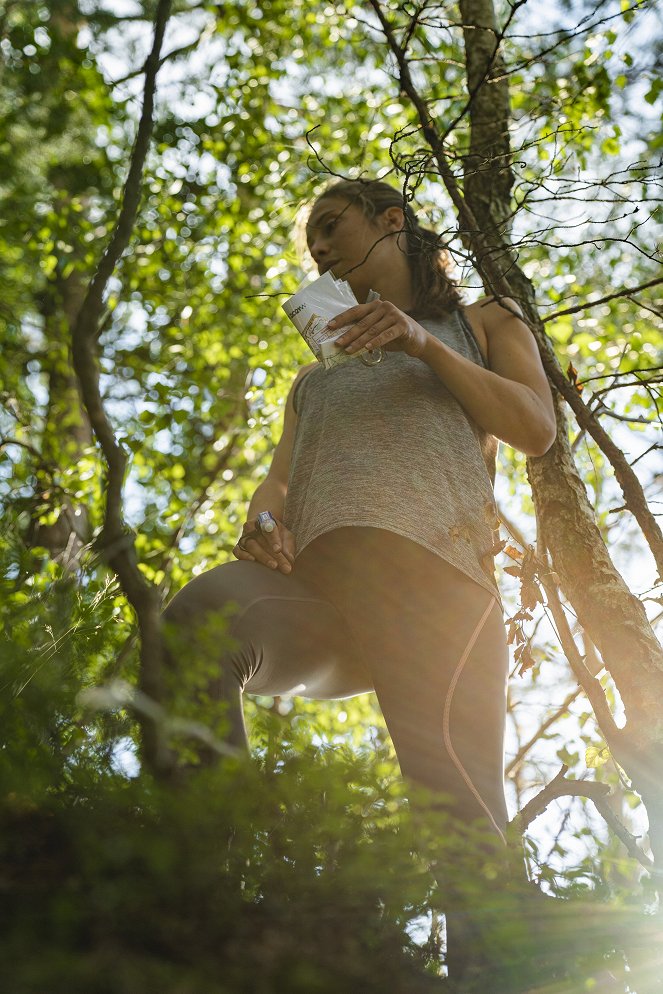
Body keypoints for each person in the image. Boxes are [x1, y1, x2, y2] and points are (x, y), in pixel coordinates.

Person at [163, 178, 555, 975]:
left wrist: (421, 342)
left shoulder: (481, 321)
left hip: (438, 594)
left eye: (333, 228)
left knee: (461, 825)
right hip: (323, 599)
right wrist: (263, 520)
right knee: (197, 623)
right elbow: (278, 483)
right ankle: (218, 905)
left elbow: (535, 429)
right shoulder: (313, 380)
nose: (322, 249)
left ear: (392, 221)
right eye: (313, 243)